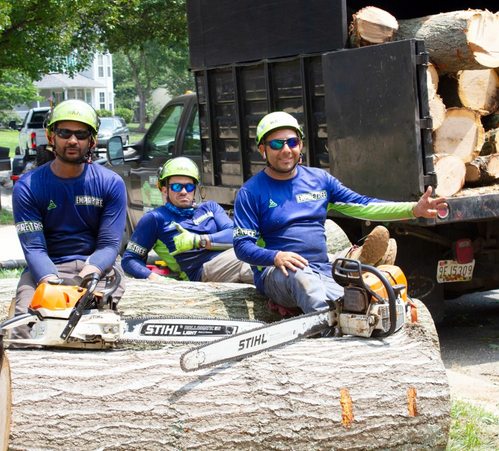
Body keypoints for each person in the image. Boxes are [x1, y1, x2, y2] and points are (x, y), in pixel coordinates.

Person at [233, 111, 448, 314]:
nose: (286, 149)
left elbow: (364, 206)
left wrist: (413, 209)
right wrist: (276, 257)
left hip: (321, 270)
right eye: (276, 144)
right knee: (304, 281)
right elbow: (242, 247)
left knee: (366, 302)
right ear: (263, 150)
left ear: (301, 145)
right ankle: (326, 335)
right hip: (278, 274)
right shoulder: (251, 192)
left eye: (292, 142)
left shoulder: (319, 181)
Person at [11, 99, 127, 340]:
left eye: (81, 134)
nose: (72, 140)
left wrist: (90, 273)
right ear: (51, 136)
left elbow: (108, 245)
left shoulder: (110, 183)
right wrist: (53, 285)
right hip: (46, 268)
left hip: (97, 267)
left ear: (92, 140)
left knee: (100, 325)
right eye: (64, 132)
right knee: (25, 326)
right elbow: (33, 247)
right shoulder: (28, 186)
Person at [121, 157, 253, 284]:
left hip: (230, 257)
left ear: (195, 189)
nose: (184, 192)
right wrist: (156, 278)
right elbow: (129, 259)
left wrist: (198, 241)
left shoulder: (211, 207)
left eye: (189, 186)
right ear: (164, 189)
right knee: (252, 261)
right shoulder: (155, 219)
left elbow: (235, 234)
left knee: (262, 253)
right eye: (177, 187)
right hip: (202, 271)